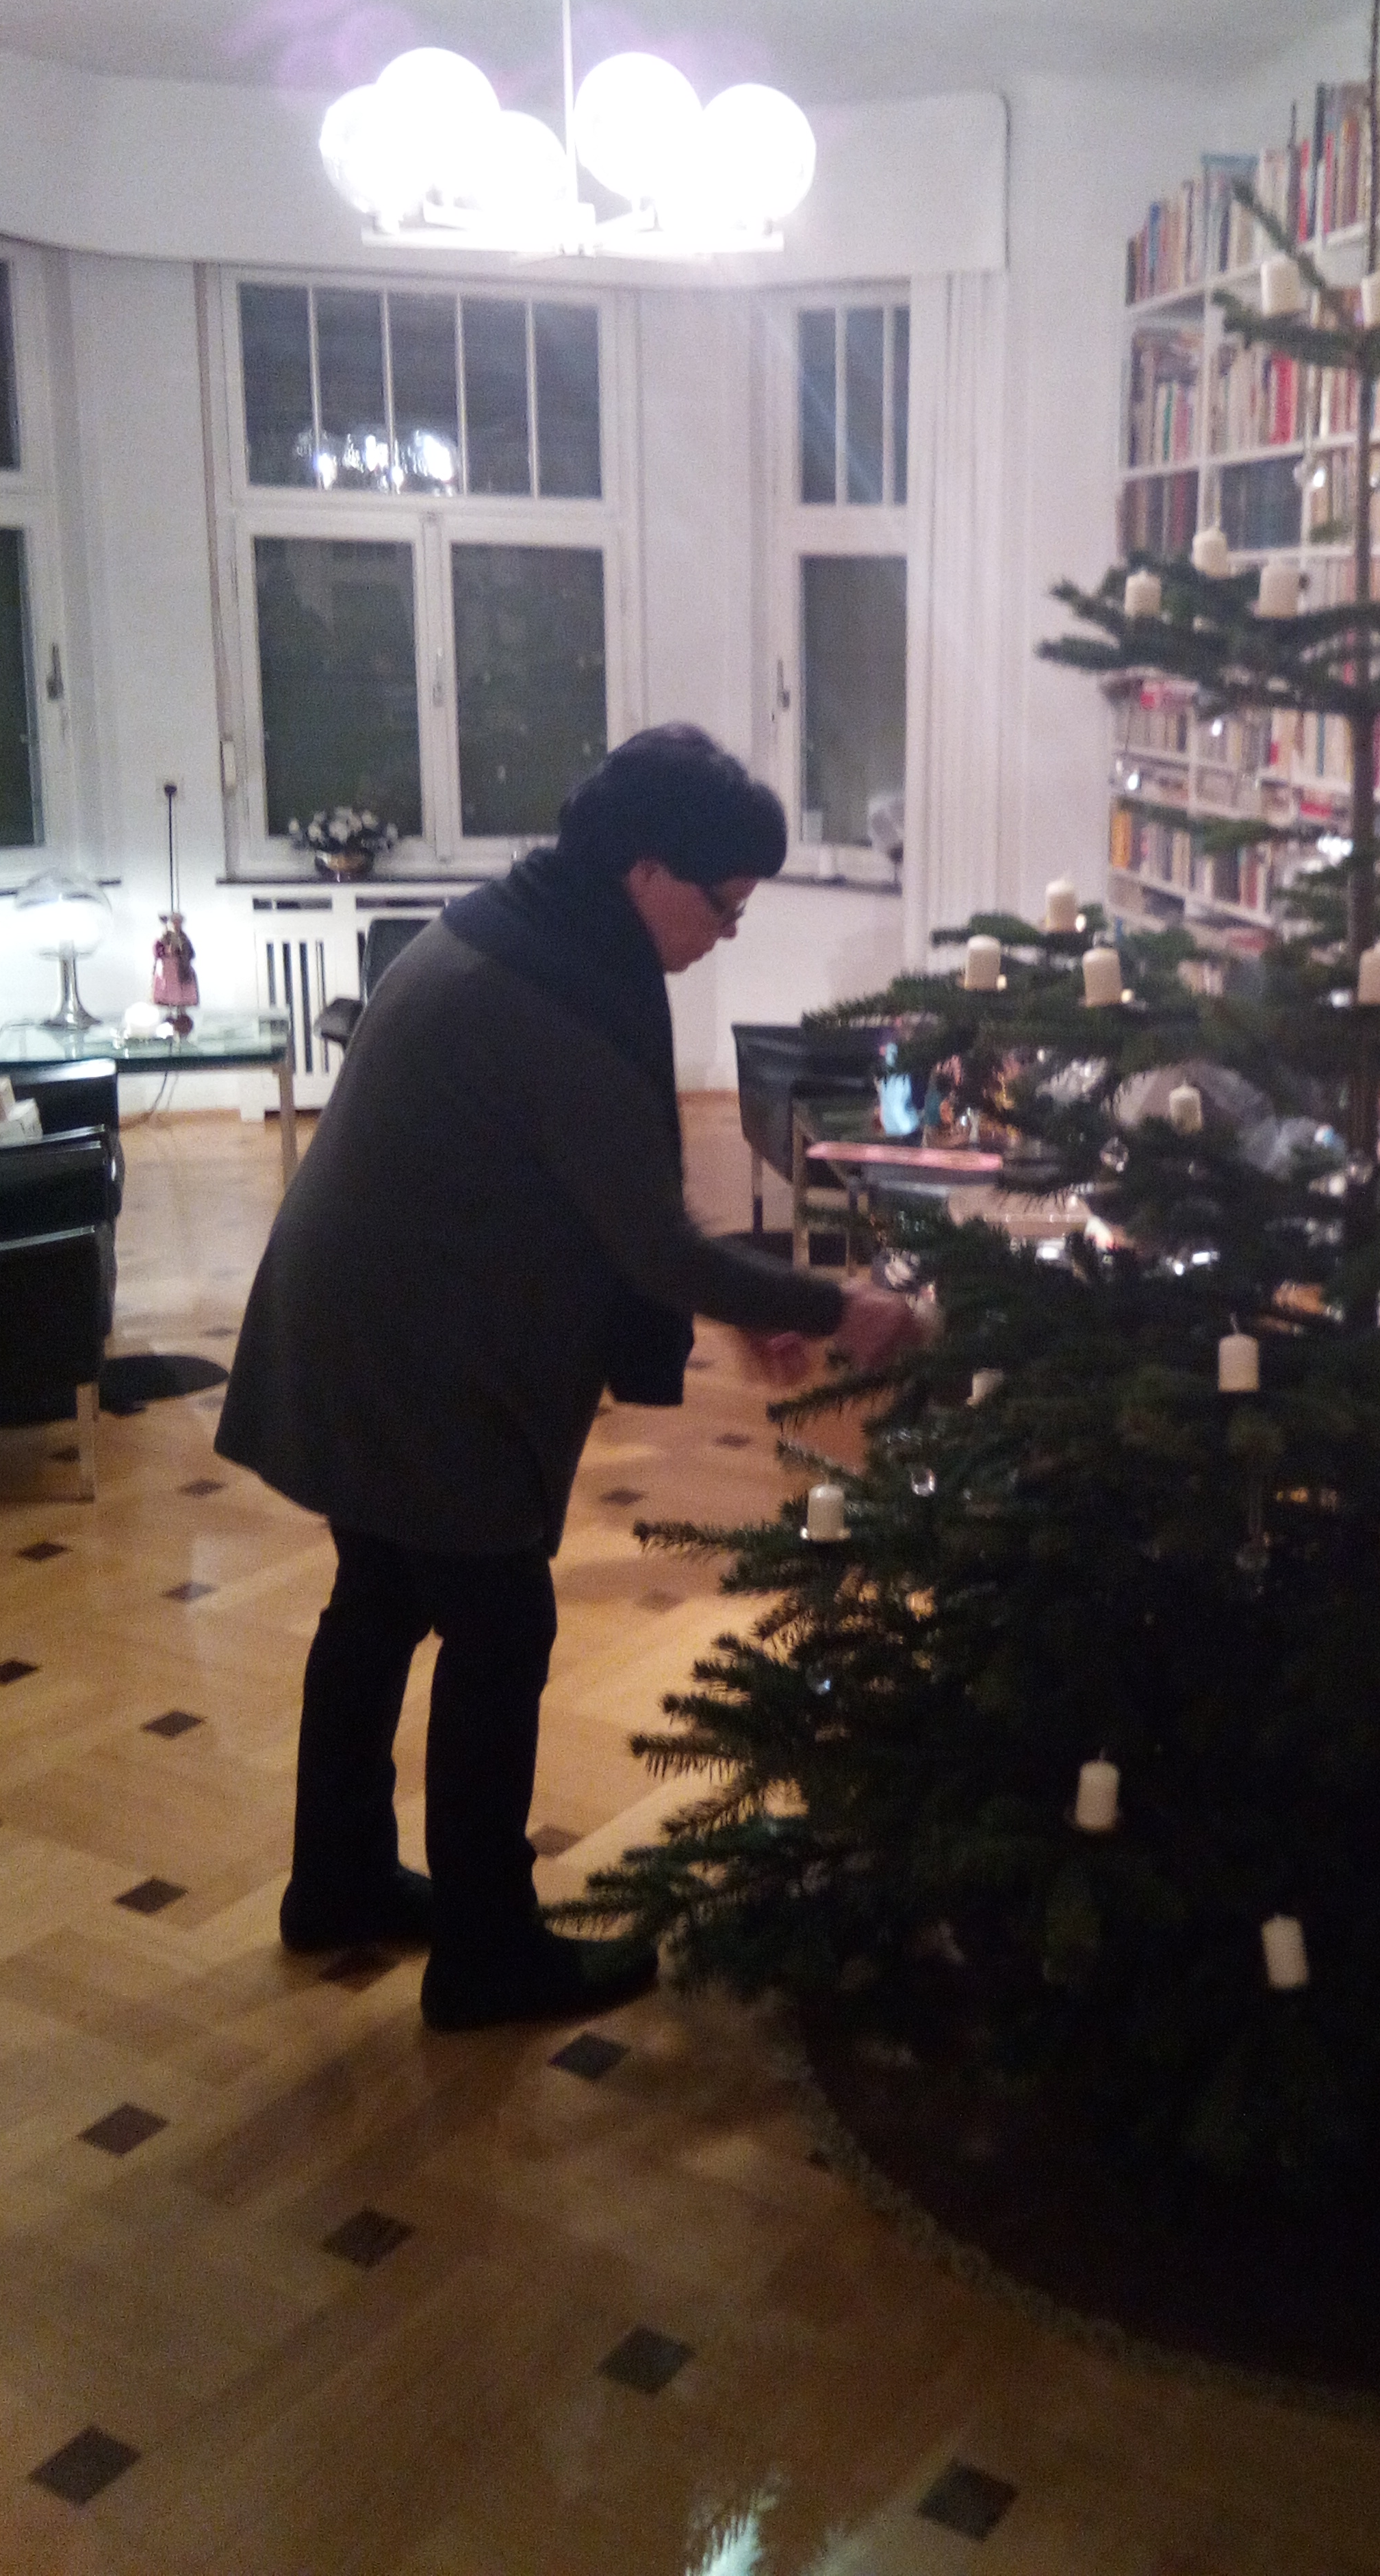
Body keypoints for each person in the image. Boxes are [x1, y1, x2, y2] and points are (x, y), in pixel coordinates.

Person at [216, 726, 920, 2030]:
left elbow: (593, 1204)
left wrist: (731, 1311)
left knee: (379, 1596)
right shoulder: (559, 1000)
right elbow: (651, 1243)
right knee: (501, 1626)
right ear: (648, 869)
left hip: (353, 1317)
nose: (727, 932)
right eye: (723, 905)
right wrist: (836, 1309)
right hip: (413, 1349)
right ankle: (486, 1954)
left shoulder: (514, 927)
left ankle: (340, 1881)